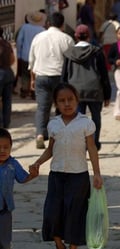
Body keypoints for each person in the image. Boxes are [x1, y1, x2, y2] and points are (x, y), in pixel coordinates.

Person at [30, 83, 103, 249]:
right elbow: (50, 149)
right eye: (62, 101)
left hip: (78, 178)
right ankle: (59, 246)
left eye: (70, 99)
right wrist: (37, 163)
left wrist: (97, 173)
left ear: (77, 101)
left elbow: (92, 149)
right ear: (56, 103)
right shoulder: (53, 124)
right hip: (56, 177)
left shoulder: (85, 123)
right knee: (51, 214)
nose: (67, 104)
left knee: (75, 217)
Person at [28, 12, 75, 149]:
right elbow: (71, 61)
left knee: (42, 107)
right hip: (59, 77)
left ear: (48, 23)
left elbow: (32, 61)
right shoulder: (66, 39)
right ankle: (59, 136)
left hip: (41, 76)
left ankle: (40, 135)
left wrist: (32, 79)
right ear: (62, 24)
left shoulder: (38, 38)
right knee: (61, 107)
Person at [61, 24, 111, 151]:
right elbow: (104, 75)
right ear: (89, 36)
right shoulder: (97, 51)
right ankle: (93, 144)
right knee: (95, 118)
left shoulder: (69, 53)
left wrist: (62, 95)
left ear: (76, 37)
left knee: (77, 119)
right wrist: (107, 94)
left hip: (75, 91)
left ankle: (79, 144)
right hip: (94, 90)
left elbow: (64, 76)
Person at [0, 128, 38, 249]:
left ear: (11, 147)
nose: (2, 150)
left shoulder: (13, 164)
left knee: (4, 242)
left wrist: (32, 175)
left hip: (5, 210)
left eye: (6, 147)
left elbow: (22, 178)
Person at [15, 11, 46, 99]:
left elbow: (19, 41)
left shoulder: (25, 27)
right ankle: (34, 92)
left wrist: (19, 54)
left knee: (25, 74)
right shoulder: (42, 30)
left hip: (25, 54)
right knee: (36, 74)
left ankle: (24, 91)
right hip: (38, 56)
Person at [0, 34, 15, 129]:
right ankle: (6, 122)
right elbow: (12, 59)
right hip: (8, 72)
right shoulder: (7, 44)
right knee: (7, 99)